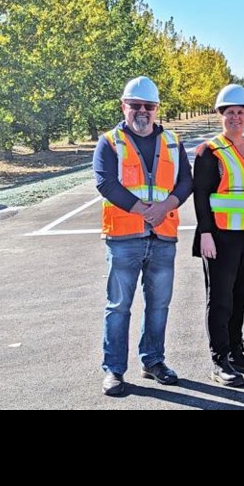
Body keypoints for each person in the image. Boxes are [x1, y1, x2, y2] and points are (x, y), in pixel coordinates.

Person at [94, 76, 193, 396]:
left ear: (157, 109)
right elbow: (105, 183)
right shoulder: (109, 142)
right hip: (124, 238)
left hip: (163, 236)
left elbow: (185, 183)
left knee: (159, 305)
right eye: (135, 105)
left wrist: (165, 207)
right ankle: (114, 370)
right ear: (124, 106)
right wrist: (143, 209)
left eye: (148, 106)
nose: (142, 111)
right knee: (119, 305)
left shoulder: (174, 142)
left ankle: (153, 361)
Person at [192, 85, 244, 387]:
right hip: (221, 237)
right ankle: (220, 359)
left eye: (241, 112)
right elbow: (201, 196)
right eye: (230, 113)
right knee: (221, 300)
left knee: (240, 298)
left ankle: (236, 351)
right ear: (220, 116)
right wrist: (204, 233)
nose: (236, 117)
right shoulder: (210, 151)